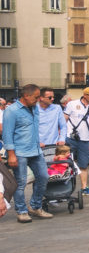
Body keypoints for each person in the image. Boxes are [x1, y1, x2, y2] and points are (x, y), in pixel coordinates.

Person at [3, 82, 51, 221]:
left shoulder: (34, 107)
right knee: (20, 182)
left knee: (43, 177)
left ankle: (35, 207)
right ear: (25, 96)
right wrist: (11, 154)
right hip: (20, 152)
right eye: (36, 97)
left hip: (36, 150)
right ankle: (22, 211)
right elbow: (7, 134)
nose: (38, 100)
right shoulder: (11, 111)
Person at [63, 85, 89, 193]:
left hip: (85, 139)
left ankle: (84, 187)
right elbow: (64, 120)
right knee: (66, 162)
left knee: (83, 164)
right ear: (85, 95)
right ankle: (65, 187)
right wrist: (60, 137)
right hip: (70, 137)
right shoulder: (72, 104)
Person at [36, 88, 67, 156]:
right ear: (41, 98)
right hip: (38, 146)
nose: (52, 99)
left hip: (54, 146)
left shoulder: (57, 108)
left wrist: (61, 139)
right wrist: (36, 142)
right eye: (50, 97)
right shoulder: (34, 109)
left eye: (53, 97)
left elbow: (63, 126)